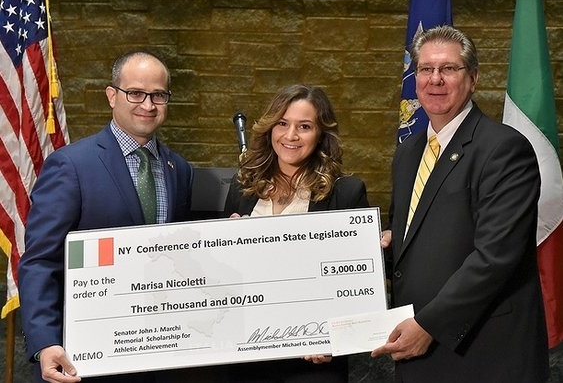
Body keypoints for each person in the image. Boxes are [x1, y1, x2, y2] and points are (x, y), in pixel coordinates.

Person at [371, 25, 549, 382]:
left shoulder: (503, 149)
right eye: (425, 69)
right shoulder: (408, 152)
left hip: (483, 354)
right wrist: (383, 247)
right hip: (417, 351)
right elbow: (422, 238)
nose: (435, 79)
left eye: (448, 68)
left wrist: (429, 324)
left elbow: (496, 257)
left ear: (473, 78)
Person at [18, 51, 198, 383]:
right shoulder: (71, 166)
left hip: (157, 352)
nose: (148, 105)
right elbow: (40, 261)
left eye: (158, 95)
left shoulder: (180, 170)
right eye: (136, 93)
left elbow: (175, 256)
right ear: (112, 96)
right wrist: (45, 342)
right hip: (83, 357)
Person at [223, 84, 369, 382]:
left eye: (304, 126)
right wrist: (225, 247)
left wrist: (334, 338)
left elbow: (358, 284)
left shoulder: (346, 193)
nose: (290, 136)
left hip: (313, 361)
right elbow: (223, 278)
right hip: (248, 355)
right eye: (282, 123)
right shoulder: (242, 189)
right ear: (270, 128)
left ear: (321, 134)